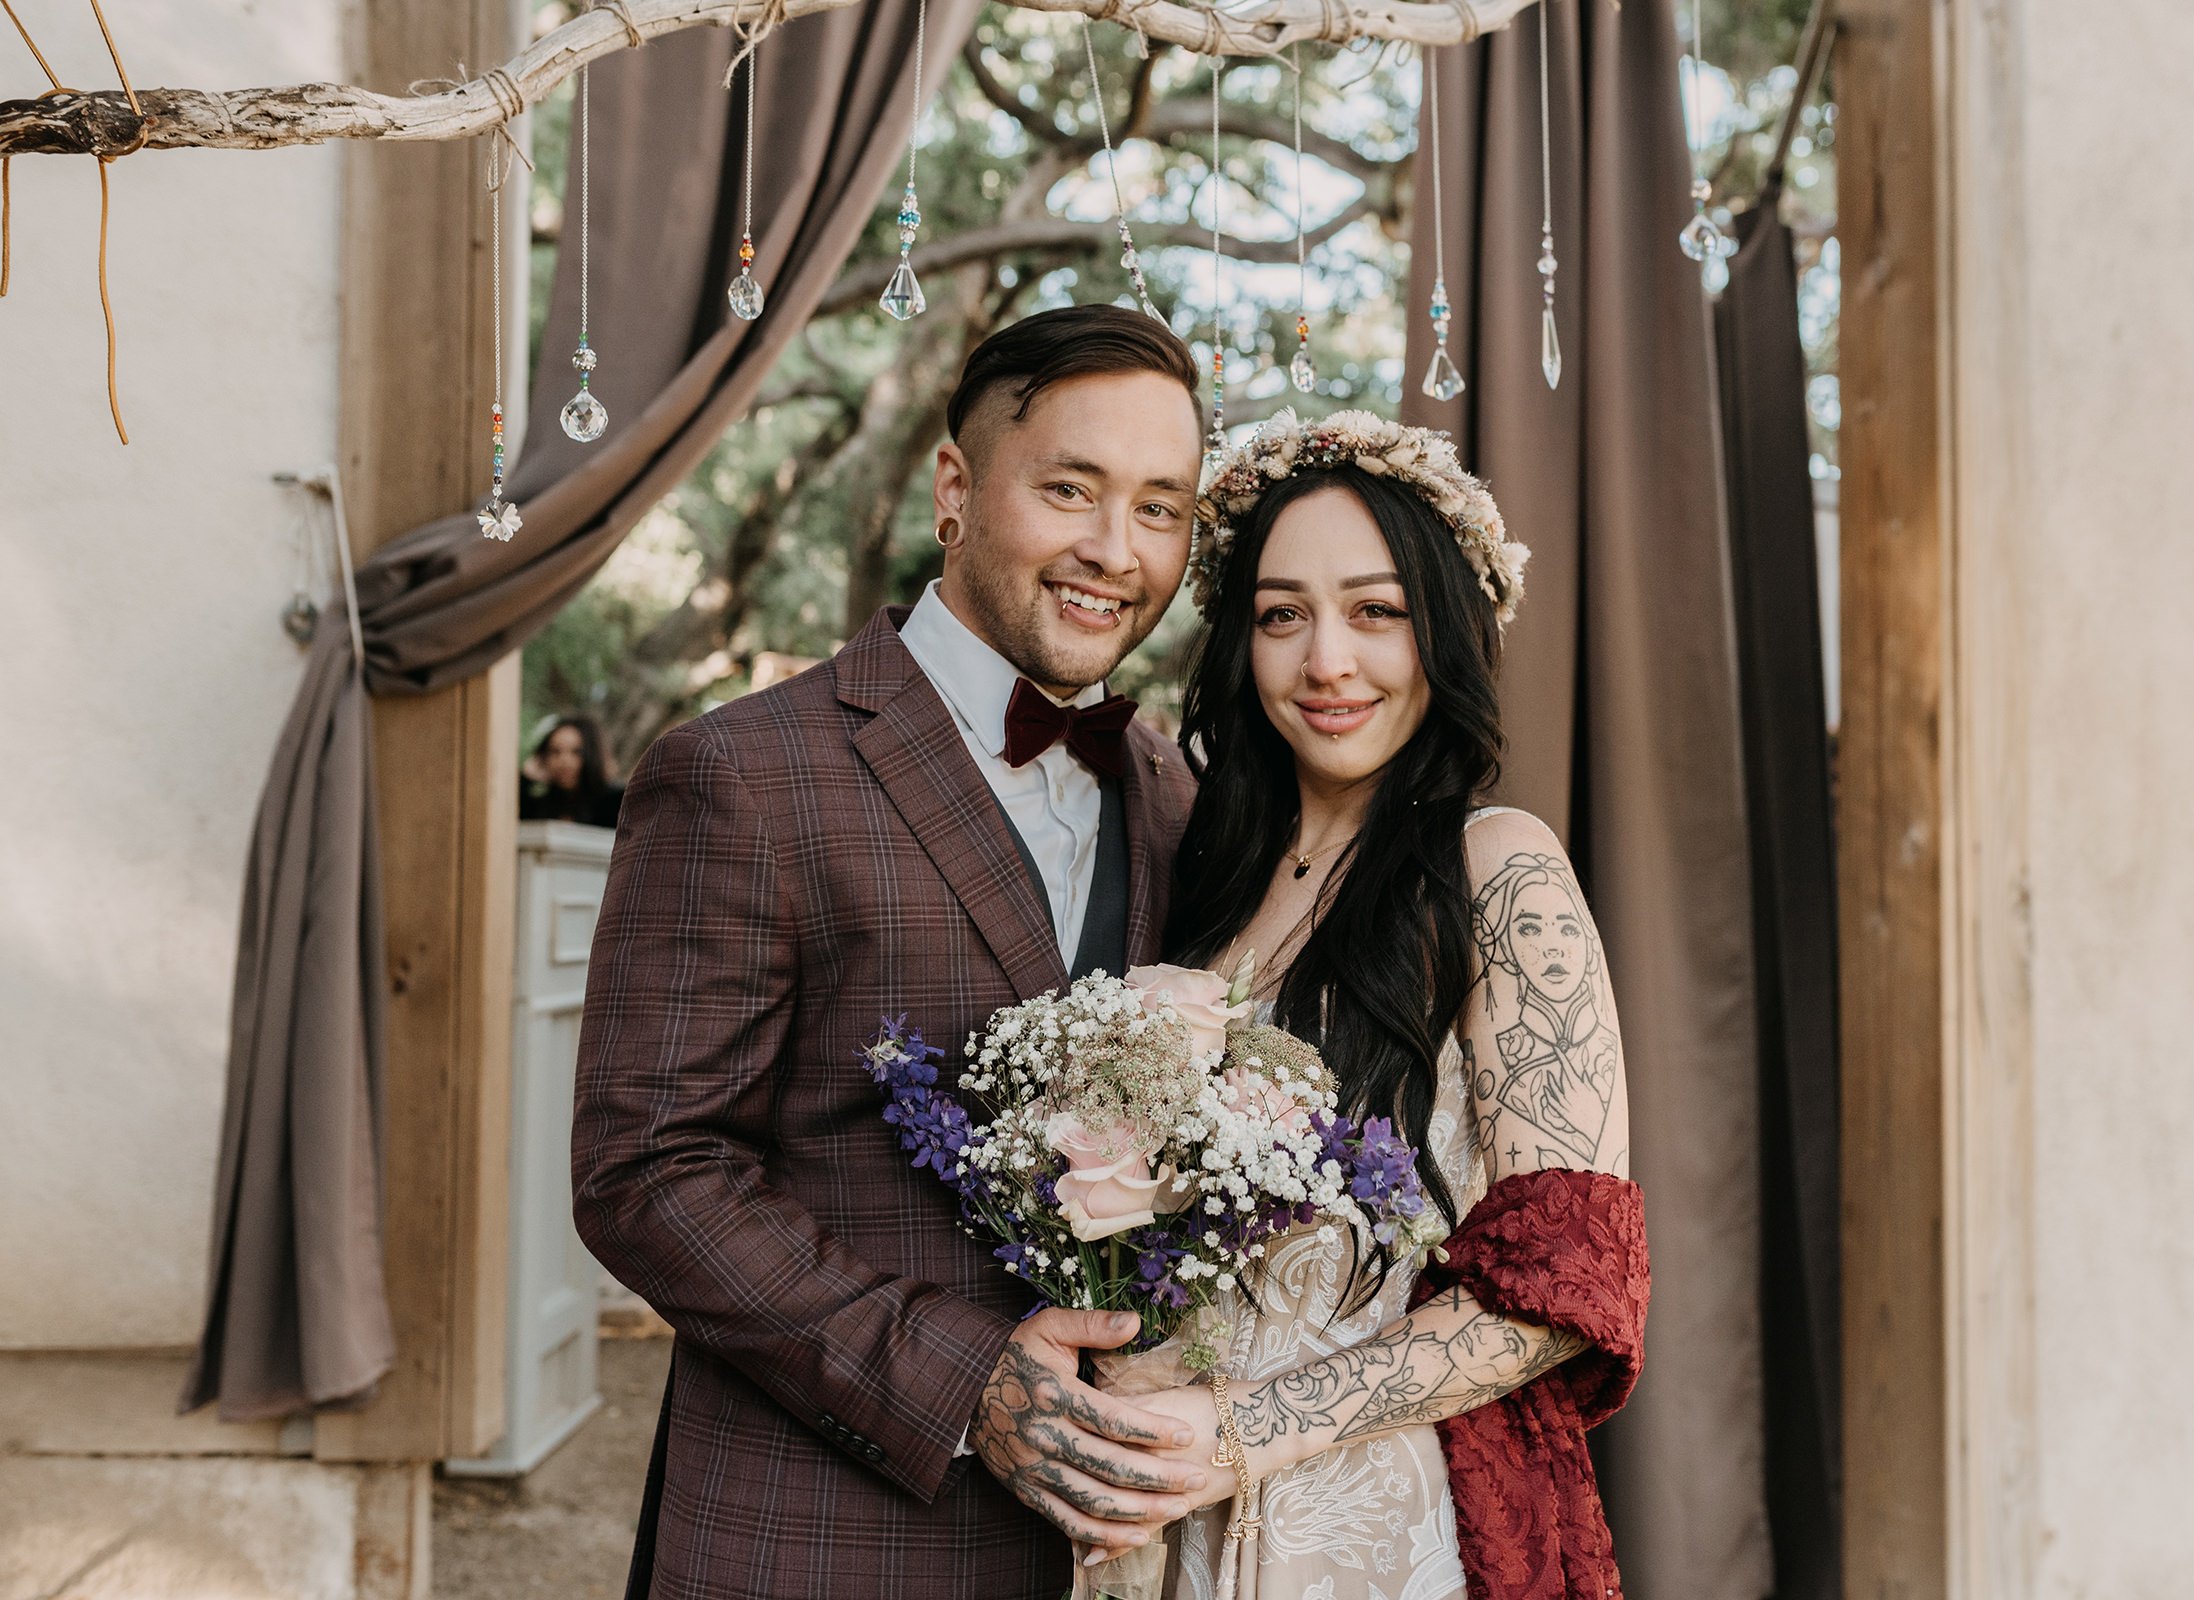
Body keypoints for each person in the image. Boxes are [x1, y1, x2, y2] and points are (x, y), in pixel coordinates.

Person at [572, 306, 1213, 1600]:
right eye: (1072, 489)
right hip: (820, 1532)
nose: (1114, 551)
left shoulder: (1180, 799)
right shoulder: (743, 773)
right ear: (956, 489)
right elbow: (649, 1172)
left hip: (1111, 1552)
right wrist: (965, 1382)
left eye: (1161, 508)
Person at [1143, 411, 1652, 1600]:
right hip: (1184, 1514)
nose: (1329, 661)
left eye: (1377, 611)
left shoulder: (1497, 867)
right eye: (1283, 615)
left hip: (1403, 1517)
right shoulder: (1204, 889)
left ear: (1449, 629)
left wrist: (1245, 1431)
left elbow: (1568, 1290)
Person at [520, 713, 624, 828]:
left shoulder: (617, 802)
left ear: (592, 754)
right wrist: (526, 778)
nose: (564, 760)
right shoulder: (541, 806)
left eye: (576, 752)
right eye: (555, 751)